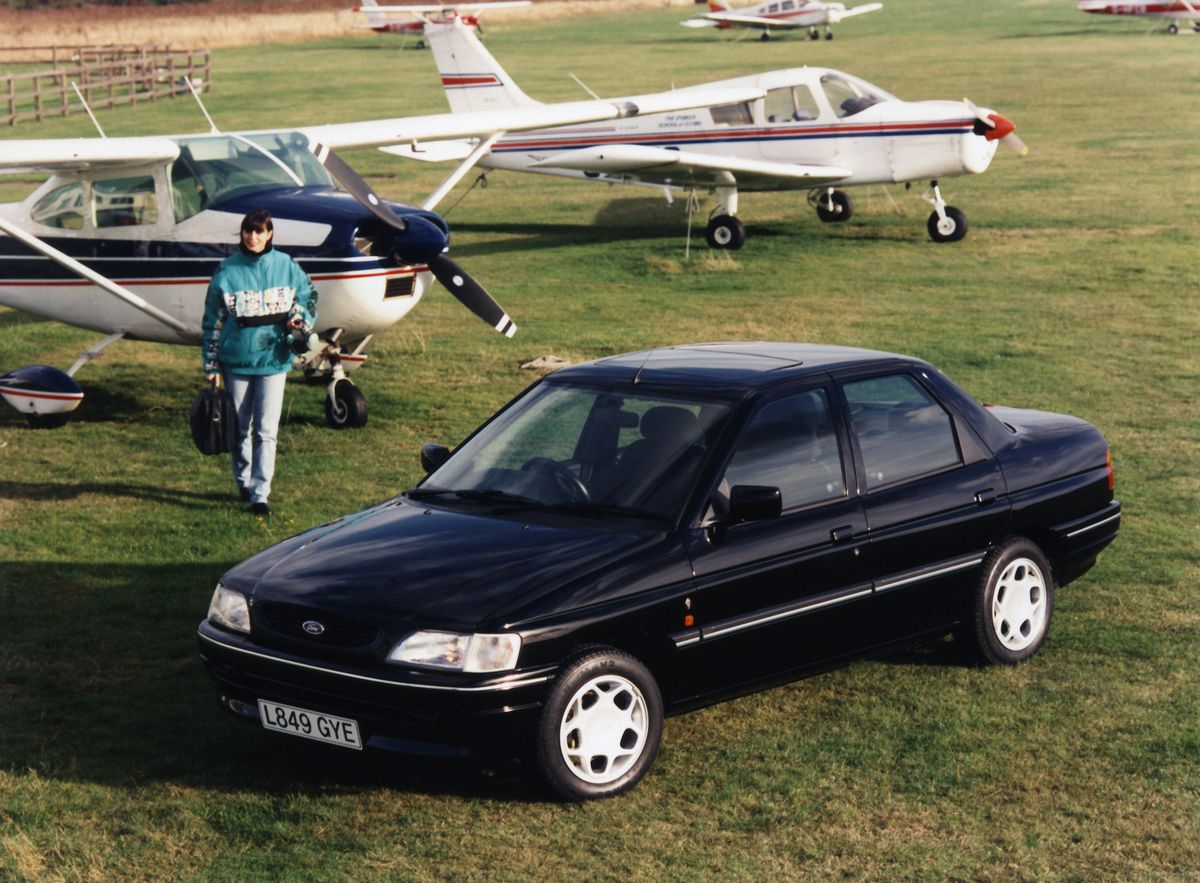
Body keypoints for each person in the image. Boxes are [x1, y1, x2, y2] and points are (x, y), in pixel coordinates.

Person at [201, 209, 318, 517]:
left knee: (267, 431)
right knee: (240, 428)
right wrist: (211, 365)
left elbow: (309, 296)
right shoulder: (226, 272)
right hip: (235, 361)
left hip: (274, 360)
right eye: (247, 231)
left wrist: (300, 318)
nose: (252, 237)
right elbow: (212, 322)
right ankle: (243, 479)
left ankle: (260, 493)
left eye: (258, 231)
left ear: (270, 234)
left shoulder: (287, 267)